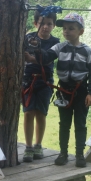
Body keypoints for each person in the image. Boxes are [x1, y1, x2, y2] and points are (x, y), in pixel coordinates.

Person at [25, 13, 91, 167]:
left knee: (80, 123)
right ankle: (63, 153)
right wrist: (37, 48)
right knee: (64, 123)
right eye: (64, 28)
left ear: (81, 31)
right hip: (64, 91)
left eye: (71, 28)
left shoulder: (87, 51)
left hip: (81, 91)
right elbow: (45, 58)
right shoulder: (59, 47)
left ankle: (79, 155)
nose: (66, 31)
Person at [22, 10, 60, 162]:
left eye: (49, 24)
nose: (45, 27)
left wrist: (31, 59)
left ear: (54, 25)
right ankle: (29, 146)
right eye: (42, 23)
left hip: (45, 81)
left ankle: (38, 144)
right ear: (35, 23)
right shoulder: (28, 38)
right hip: (27, 80)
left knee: (41, 113)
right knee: (28, 112)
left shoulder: (55, 42)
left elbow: (48, 60)